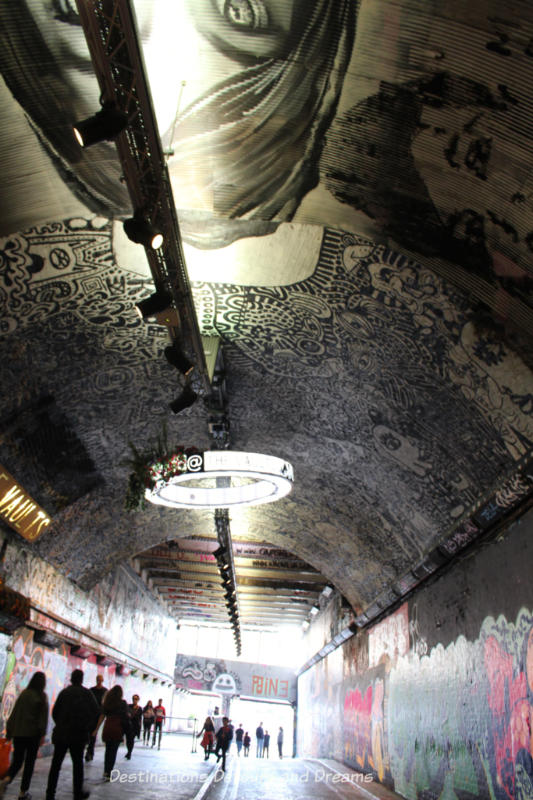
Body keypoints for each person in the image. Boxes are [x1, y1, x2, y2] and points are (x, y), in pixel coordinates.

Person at [45, 669, 99, 800]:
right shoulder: (87, 694)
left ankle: (50, 793)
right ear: (81, 679)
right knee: (78, 765)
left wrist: (61, 724)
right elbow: (95, 712)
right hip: (78, 735)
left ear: (71, 679)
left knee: (56, 765)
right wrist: (88, 728)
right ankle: (77, 793)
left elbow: (55, 711)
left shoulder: (64, 693)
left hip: (62, 734)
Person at [0, 671, 48, 800]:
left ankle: (6, 779)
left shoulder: (24, 694)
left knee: (17, 761)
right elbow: (42, 719)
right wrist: (42, 735)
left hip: (19, 734)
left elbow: (14, 713)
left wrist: (9, 731)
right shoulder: (42, 696)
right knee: (29, 764)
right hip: (33, 736)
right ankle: (23, 792)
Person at [93, 685, 131, 780]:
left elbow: (102, 716)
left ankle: (106, 770)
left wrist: (96, 729)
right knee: (113, 752)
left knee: (108, 750)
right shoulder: (122, 703)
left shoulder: (108, 702)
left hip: (108, 727)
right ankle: (109, 772)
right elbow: (126, 717)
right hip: (117, 729)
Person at [84, 675, 107, 762]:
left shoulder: (104, 691)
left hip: (98, 715)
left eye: (100, 680)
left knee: (93, 733)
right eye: (98, 680)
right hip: (90, 714)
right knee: (90, 734)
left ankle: (89, 752)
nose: (99, 681)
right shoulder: (91, 690)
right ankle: (89, 752)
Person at [125, 695, 142, 760]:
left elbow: (139, 718)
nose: (135, 700)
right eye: (134, 699)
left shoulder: (139, 708)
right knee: (128, 740)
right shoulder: (129, 706)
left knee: (131, 740)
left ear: (138, 700)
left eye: (136, 699)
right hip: (128, 725)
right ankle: (128, 751)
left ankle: (129, 752)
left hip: (135, 726)